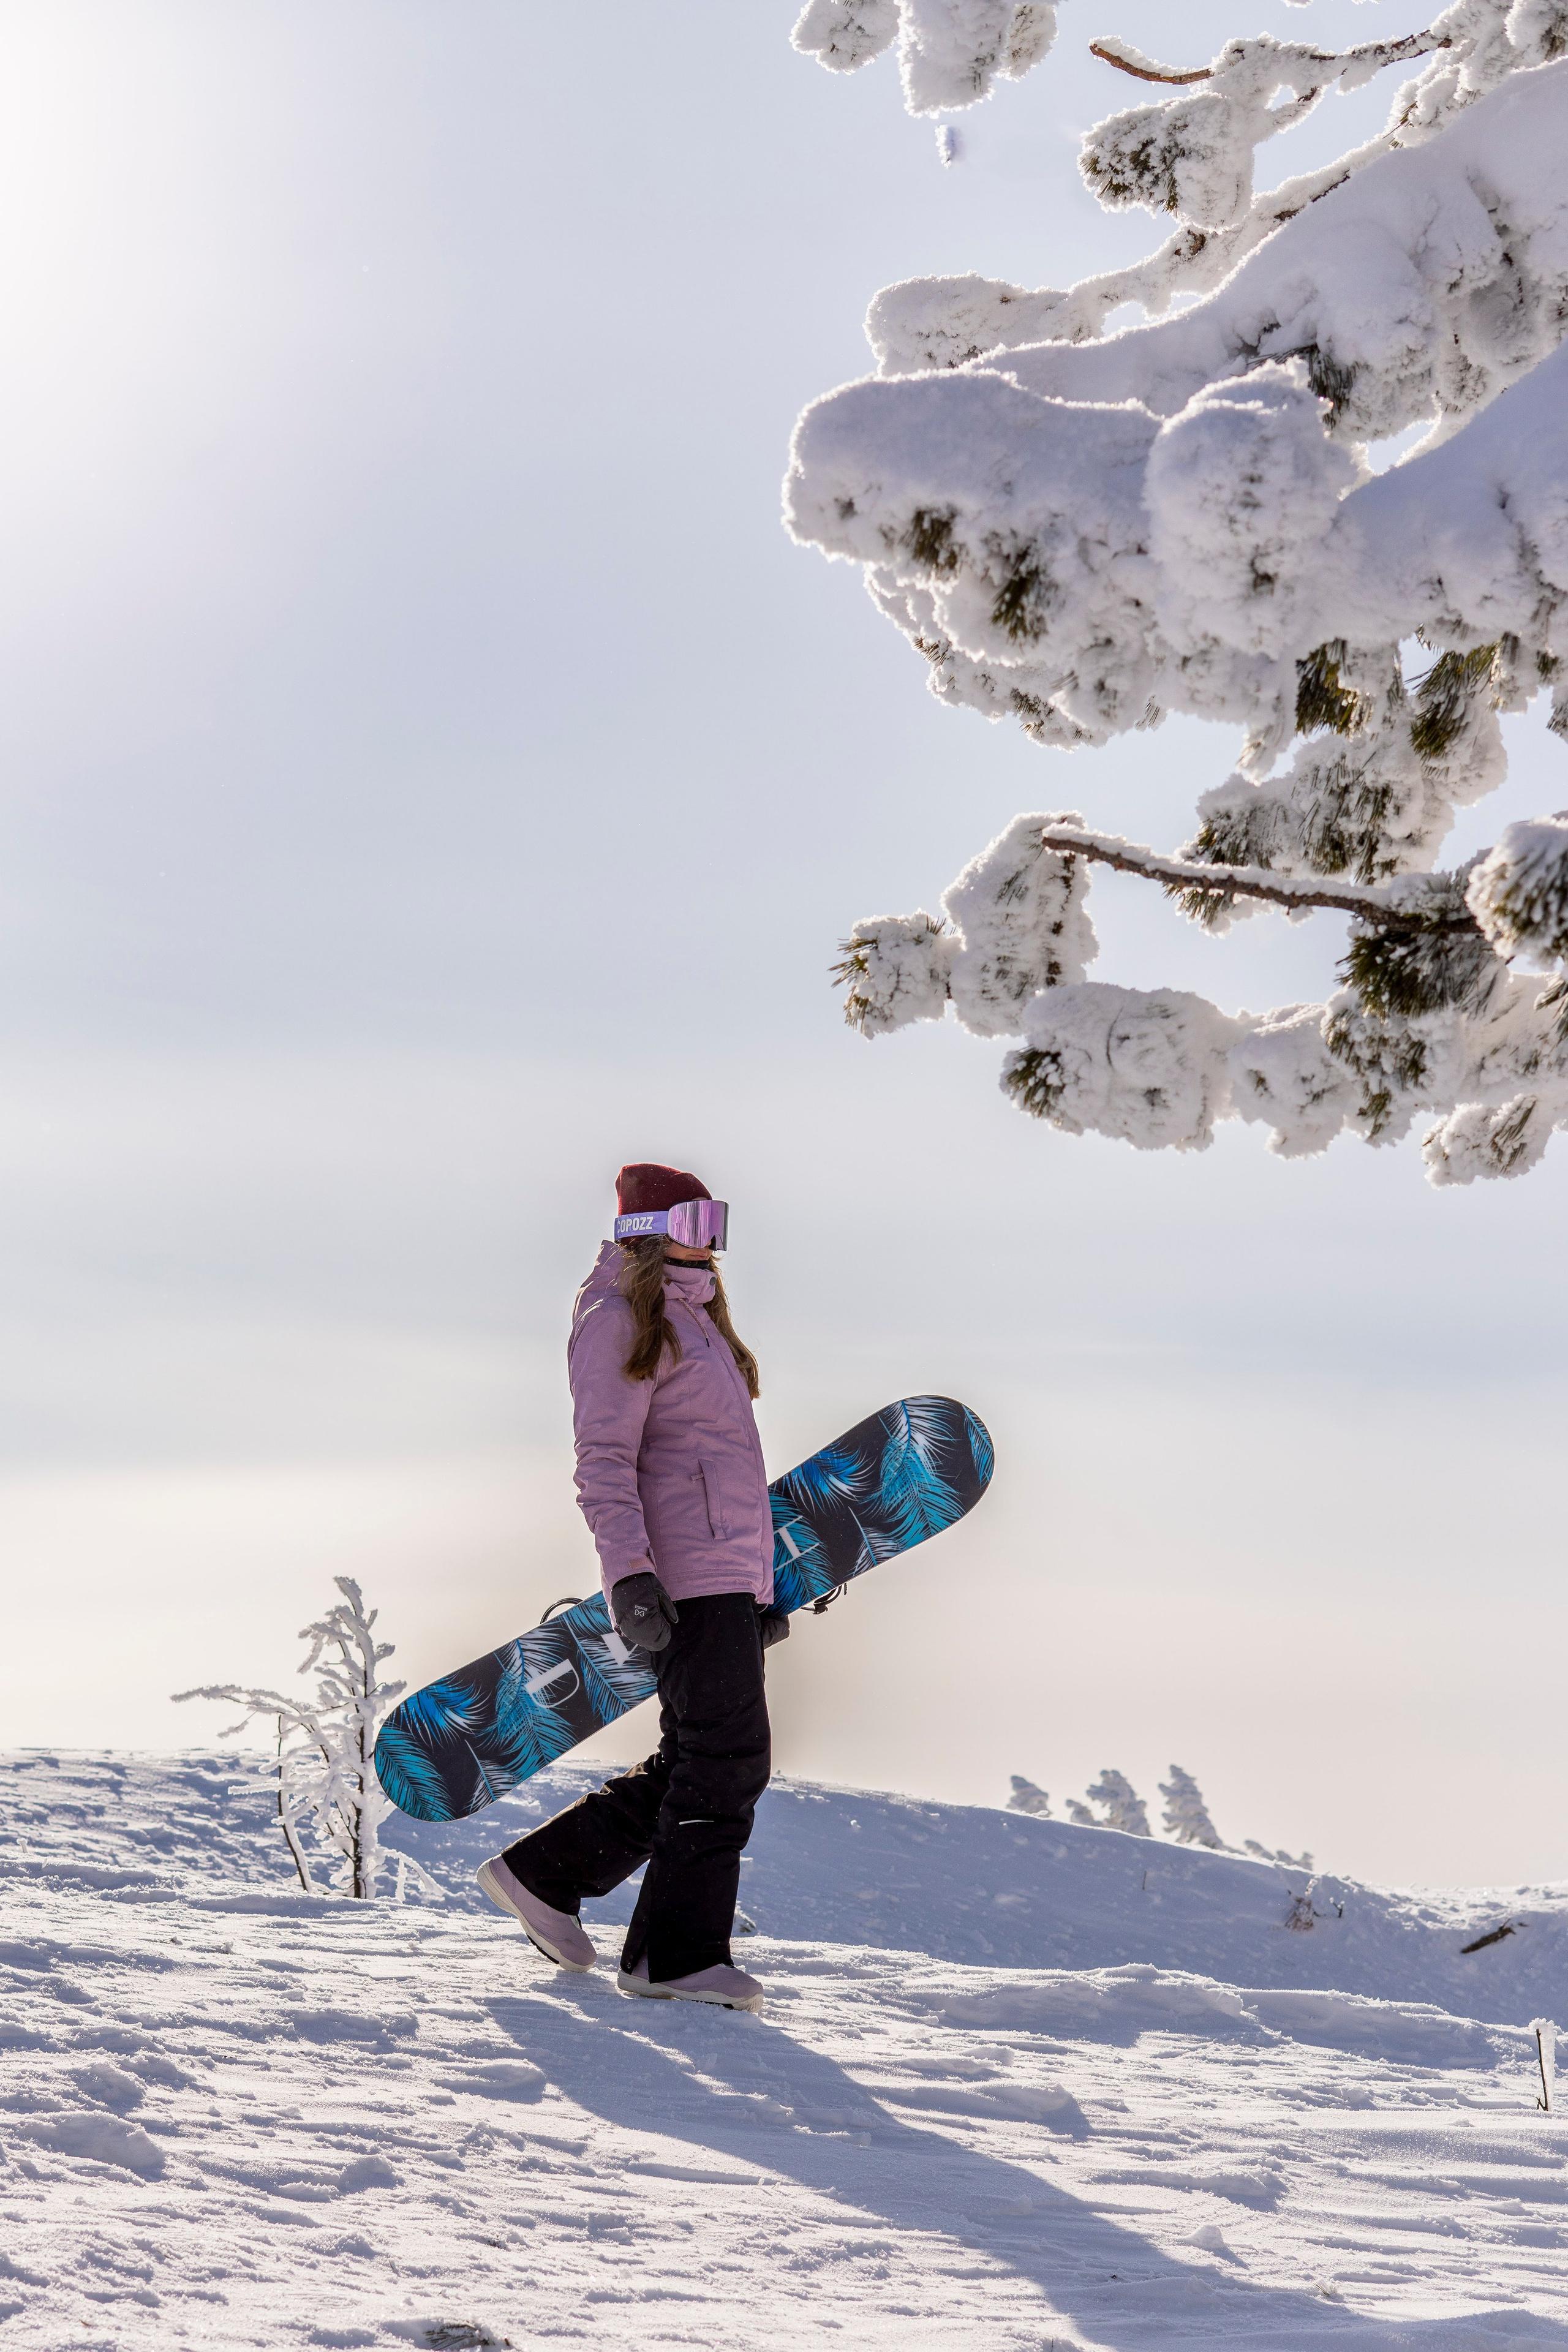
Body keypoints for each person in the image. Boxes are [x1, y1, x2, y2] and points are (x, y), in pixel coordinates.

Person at [477, 1163, 787, 2014]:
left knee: (704, 1760)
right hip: (680, 1575)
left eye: (719, 1219)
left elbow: (714, 1473)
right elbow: (604, 1464)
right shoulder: (618, 1321)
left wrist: (759, 1590)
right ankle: (674, 1958)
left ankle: (545, 1874)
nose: (710, 1238)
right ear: (646, 1228)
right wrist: (630, 1575)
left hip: (719, 1574)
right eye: (696, 1217)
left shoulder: (695, 1324)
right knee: (725, 1762)